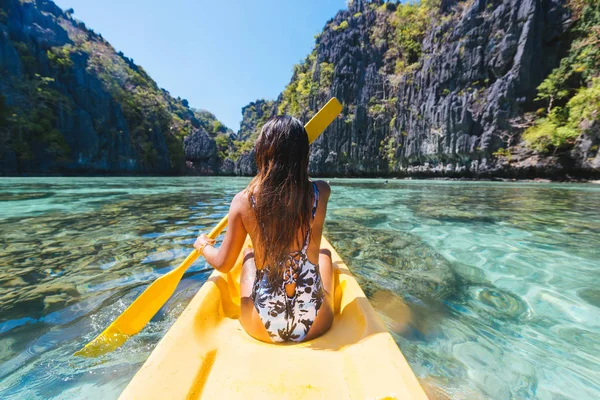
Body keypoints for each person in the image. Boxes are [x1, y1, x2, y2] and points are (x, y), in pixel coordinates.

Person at [193, 116, 334, 343]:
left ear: (261, 153)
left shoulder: (242, 201)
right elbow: (306, 185)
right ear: (304, 155)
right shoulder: (321, 192)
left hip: (262, 326)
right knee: (325, 257)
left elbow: (224, 264)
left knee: (248, 255)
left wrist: (202, 246)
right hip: (318, 323)